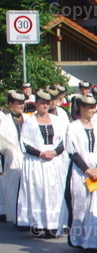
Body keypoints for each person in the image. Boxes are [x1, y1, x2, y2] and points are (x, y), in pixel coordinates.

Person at [64, 93, 97, 252]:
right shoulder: (73, 127)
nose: (92, 110)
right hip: (81, 172)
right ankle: (81, 239)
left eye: (94, 107)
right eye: (89, 107)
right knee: (82, 206)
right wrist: (87, 169)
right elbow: (72, 152)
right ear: (82, 108)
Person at [19, 89, 69, 237]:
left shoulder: (57, 121)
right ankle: (39, 223)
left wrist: (55, 152)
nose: (44, 106)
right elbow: (25, 144)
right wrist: (40, 153)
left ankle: (54, 224)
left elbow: (63, 141)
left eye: (47, 104)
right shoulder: (29, 122)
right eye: (42, 104)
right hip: (37, 162)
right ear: (36, 104)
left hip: (54, 162)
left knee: (55, 193)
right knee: (39, 193)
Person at [0, 90, 28, 223]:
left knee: (29, 188)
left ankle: (27, 216)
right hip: (13, 159)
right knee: (14, 188)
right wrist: (11, 150)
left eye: (23, 103)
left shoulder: (29, 119)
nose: (21, 106)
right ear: (11, 104)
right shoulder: (4, 121)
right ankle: (16, 217)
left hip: (28, 157)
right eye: (18, 103)